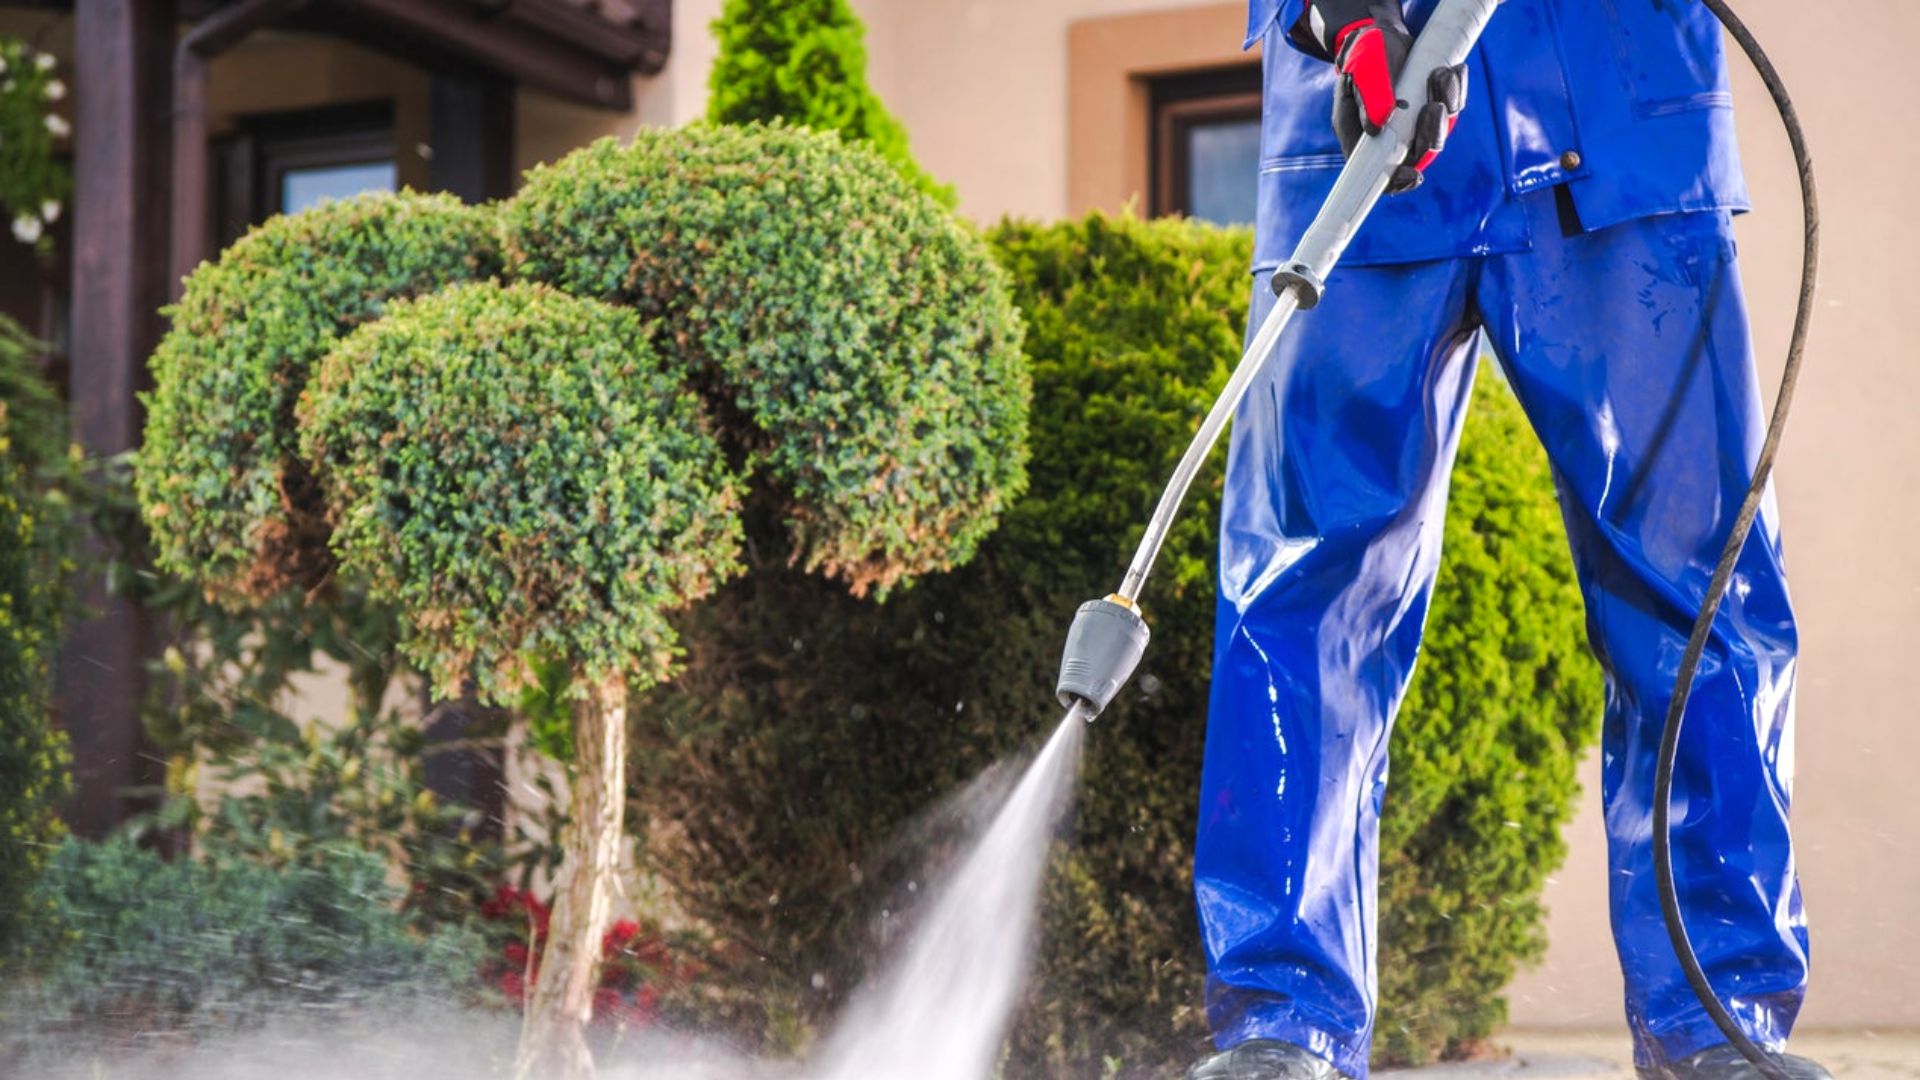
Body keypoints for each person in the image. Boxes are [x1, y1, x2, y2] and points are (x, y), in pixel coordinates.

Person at [1188, 1, 1828, 1078]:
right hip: (1364, 132)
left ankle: (1718, 1021)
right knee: (1300, 592)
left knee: (1697, 590)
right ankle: (1282, 1024)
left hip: (1619, 120)